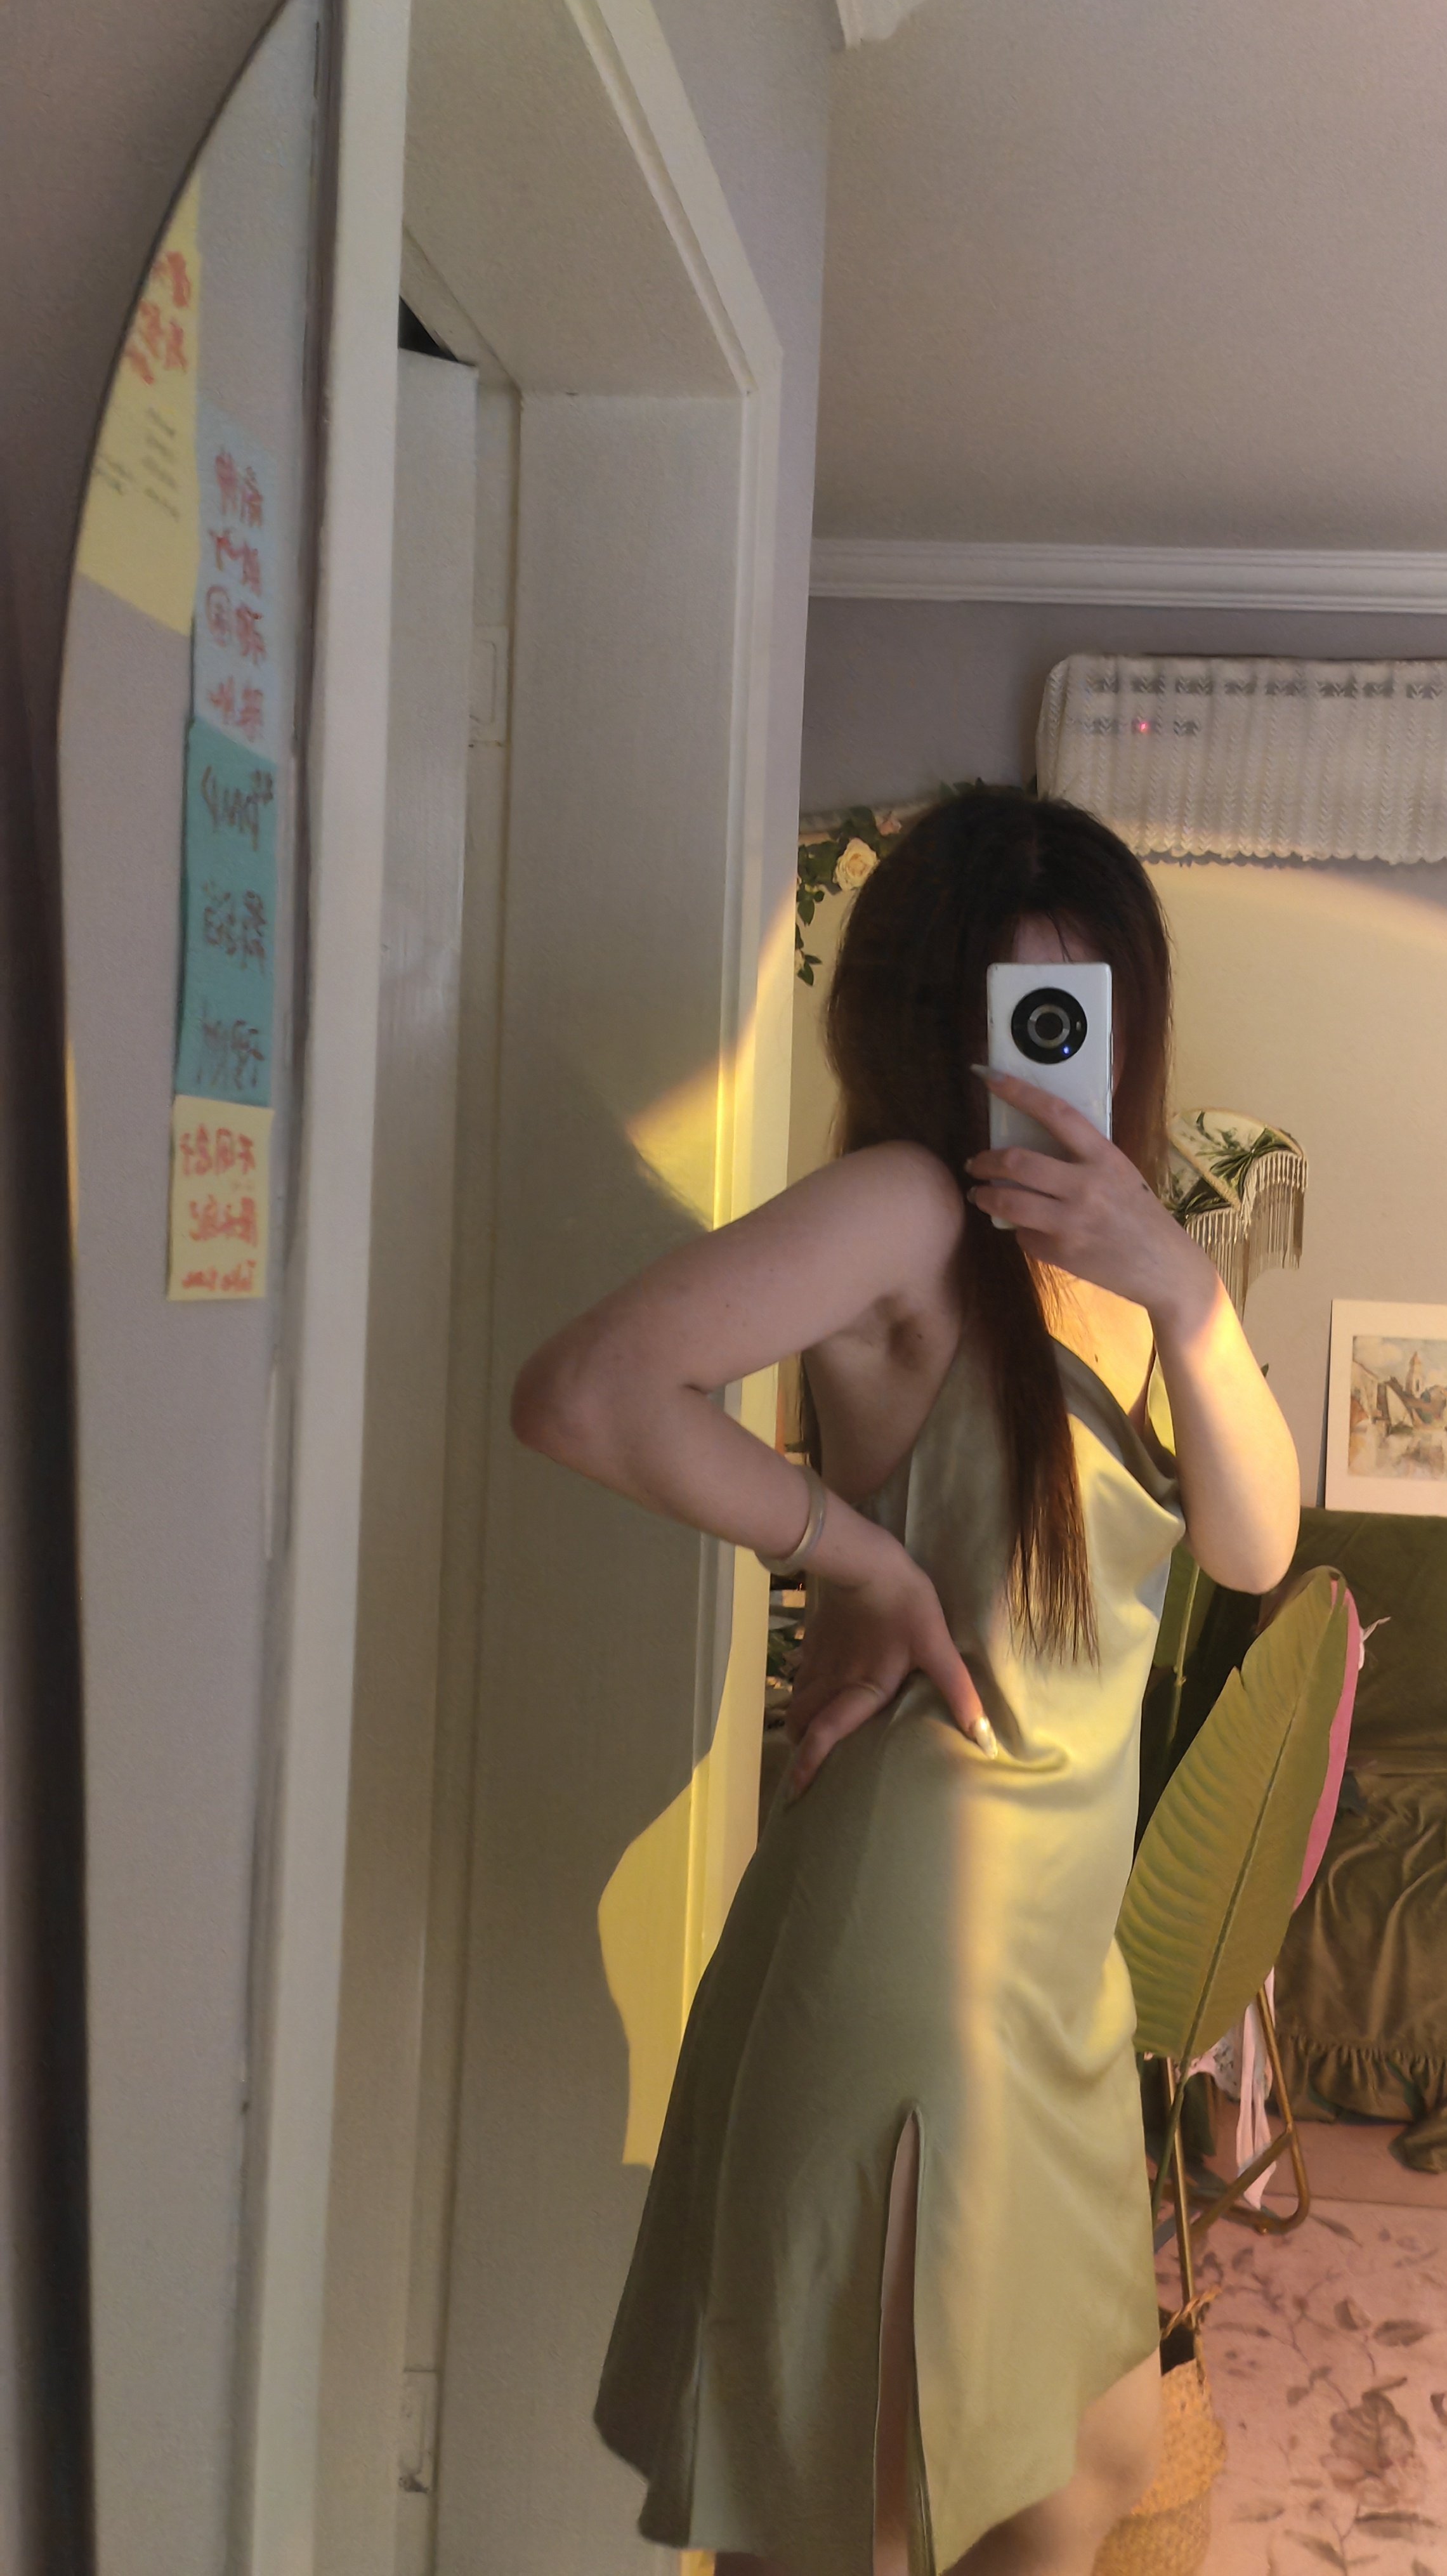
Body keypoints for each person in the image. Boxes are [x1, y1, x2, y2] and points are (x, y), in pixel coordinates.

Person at [511, 789, 1300, 2576]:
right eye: (1007, 1011)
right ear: (920, 1023)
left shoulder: (1125, 1261)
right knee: (874, 2511)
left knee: (1082, 2466)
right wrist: (855, 1555)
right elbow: (587, 1391)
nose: (1047, 1058)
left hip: (1054, 1971)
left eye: (1081, 1011)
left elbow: (1254, 1545)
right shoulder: (902, 1209)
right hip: (921, 1961)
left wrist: (1186, 1293)